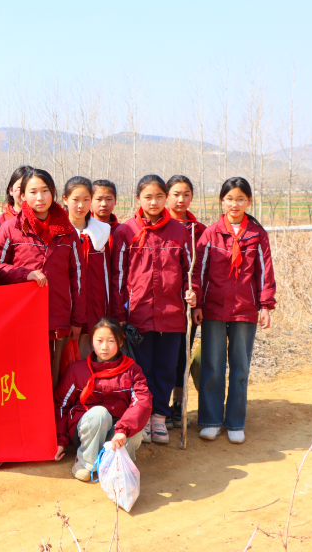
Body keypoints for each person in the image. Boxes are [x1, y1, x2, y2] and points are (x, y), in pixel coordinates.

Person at [111, 175, 196, 446]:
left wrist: (194, 296)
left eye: (159, 196)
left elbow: (189, 273)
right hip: (139, 316)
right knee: (141, 370)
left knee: (167, 369)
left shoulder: (179, 232)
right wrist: (120, 315)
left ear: (166, 199)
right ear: (138, 199)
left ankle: (159, 417)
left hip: (172, 315)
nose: (154, 201)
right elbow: (118, 276)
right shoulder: (126, 231)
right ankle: (143, 418)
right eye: (148, 197)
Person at [192, 177, 276, 444]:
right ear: (222, 201)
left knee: (240, 367)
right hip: (214, 310)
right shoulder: (211, 233)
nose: (235, 204)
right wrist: (199, 304)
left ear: (248, 201)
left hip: (245, 309)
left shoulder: (257, 235)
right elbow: (199, 272)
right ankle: (211, 420)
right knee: (213, 366)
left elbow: (264, 273)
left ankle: (235, 421)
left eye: (240, 199)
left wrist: (265, 305)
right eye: (230, 198)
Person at [0, 168, 84, 388]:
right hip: (22, 317)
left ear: (53, 193)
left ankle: (53, 421)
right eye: (33, 191)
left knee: (54, 376)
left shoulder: (67, 232)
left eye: (45, 191)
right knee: (24, 375)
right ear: (22, 196)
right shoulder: (11, 228)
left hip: (58, 317)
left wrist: (77, 320)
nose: (39, 197)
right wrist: (25, 274)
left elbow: (77, 277)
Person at [53, 319, 152, 481]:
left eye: (111, 341)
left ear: (120, 342)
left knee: (135, 432)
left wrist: (123, 429)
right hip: (87, 431)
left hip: (117, 433)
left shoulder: (132, 371)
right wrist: (59, 440)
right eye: (99, 341)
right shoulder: (77, 370)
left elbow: (142, 402)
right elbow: (61, 406)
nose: (104, 347)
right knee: (99, 414)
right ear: (92, 342)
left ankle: (115, 463)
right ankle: (86, 462)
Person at [164, 175, 208, 430]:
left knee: (183, 355)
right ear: (166, 196)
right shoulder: (158, 224)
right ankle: (158, 407)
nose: (181, 200)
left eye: (187, 194)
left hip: (187, 307)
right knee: (164, 359)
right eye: (176, 194)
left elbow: (201, 269)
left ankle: (178, 407)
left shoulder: (199, 230)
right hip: (161, 306)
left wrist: (197, 301)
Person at [63, 177, 113, 363]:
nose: (80, 205)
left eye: (86, 199)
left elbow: (108, 275)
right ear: (65, 199)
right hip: (65, 312)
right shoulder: (58, 234)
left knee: (90, 361)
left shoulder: (101, 233)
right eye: (75, 199)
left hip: (95, 309)